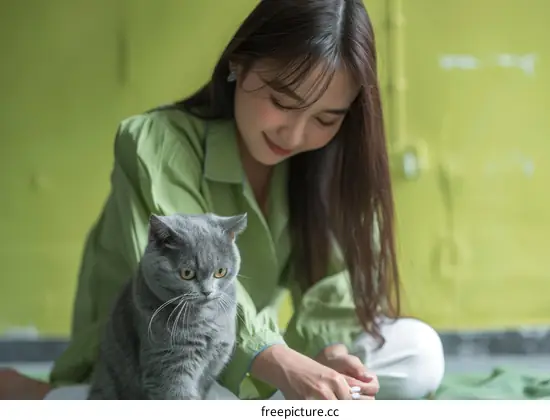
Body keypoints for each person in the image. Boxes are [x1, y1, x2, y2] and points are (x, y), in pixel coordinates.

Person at [0, 0, 444, 400]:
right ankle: (57, 397)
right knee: (197, 393)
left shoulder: (323, 161)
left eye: (325, 118)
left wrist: (332, 355)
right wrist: (282, 363)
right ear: (239, 63)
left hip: (245, 346)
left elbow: (331, 284)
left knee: (420, 354)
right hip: (161, 346)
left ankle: (278, 396)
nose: (294, 135)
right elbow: (191, 306)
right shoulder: (154, 142)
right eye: (281, 100)